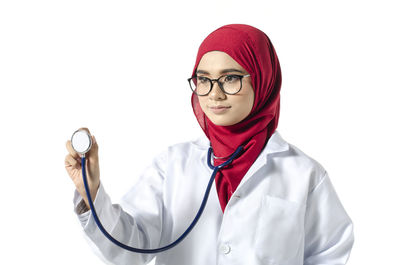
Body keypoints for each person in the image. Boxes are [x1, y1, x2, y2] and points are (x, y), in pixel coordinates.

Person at [64, 24, 354, 265]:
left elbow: (330, 253)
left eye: (230, 78)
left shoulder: (304, 174)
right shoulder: (172, 165)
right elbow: (129, 250)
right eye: (204, 80)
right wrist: (91, 195)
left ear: (263, 80)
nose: (214, 94)